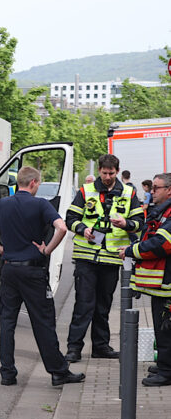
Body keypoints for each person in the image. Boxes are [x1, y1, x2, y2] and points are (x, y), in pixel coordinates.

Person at [0, 166, 84, 387]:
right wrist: (47, 250)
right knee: (43, 322)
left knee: (7, 322)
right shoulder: (40, 204)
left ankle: (7, 373)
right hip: (32, 272)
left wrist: (1, 248)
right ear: (33, 183)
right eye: (39, 183)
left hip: (9, 270)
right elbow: (61, 228)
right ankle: (58, 372)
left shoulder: (3, 204)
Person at [64, 154, 143, 363]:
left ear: (117, 171)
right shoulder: (86, 190)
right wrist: (83, 229)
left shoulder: (128, 192)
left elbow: (139, 222)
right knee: (83, 305)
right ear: (99, 170)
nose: (107, 177)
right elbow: (70, 218)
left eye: (111, 173)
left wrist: (125, 224)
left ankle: (100, 346)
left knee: (103, 306)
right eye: (104, 172)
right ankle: (74, 348)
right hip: (86, 258)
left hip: (111, 259)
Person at [120, 173, 171, 386]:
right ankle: (165, 365)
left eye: (156, 188)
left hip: (167, 285)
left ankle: (167, 372)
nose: (152, 192)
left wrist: (132, 250)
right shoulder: (163, 212)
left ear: (169, 189)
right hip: (161, 285)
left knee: (166, 328)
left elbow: (162, 243)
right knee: (162, 327)